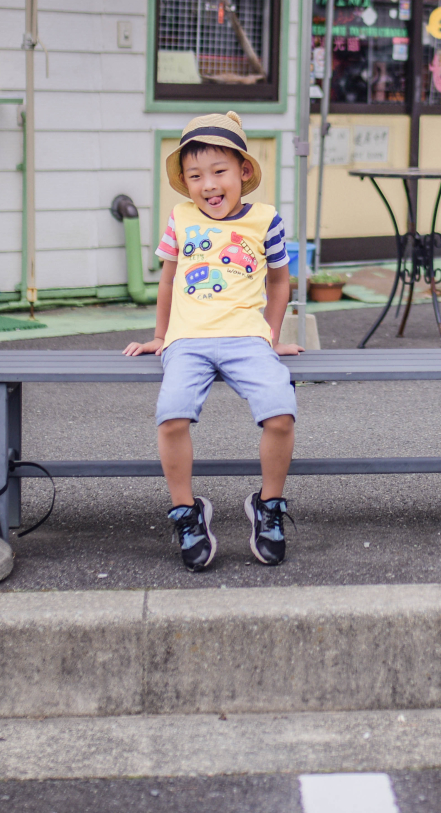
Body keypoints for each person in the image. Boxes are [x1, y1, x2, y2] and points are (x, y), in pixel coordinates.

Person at [123, 112, 299, 571]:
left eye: (219, 172)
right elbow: (166, 282)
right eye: (195, 175)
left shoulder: (266, 220)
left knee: (281, 413)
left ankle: (269, 505)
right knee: (171, 416)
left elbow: (281, 283)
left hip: (248, 339)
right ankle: (186, 512)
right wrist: (160, 336)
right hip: (188, 341)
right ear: (184, 182)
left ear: (243, 172)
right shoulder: (180, 218)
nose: (208, 185)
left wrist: (273, 337)